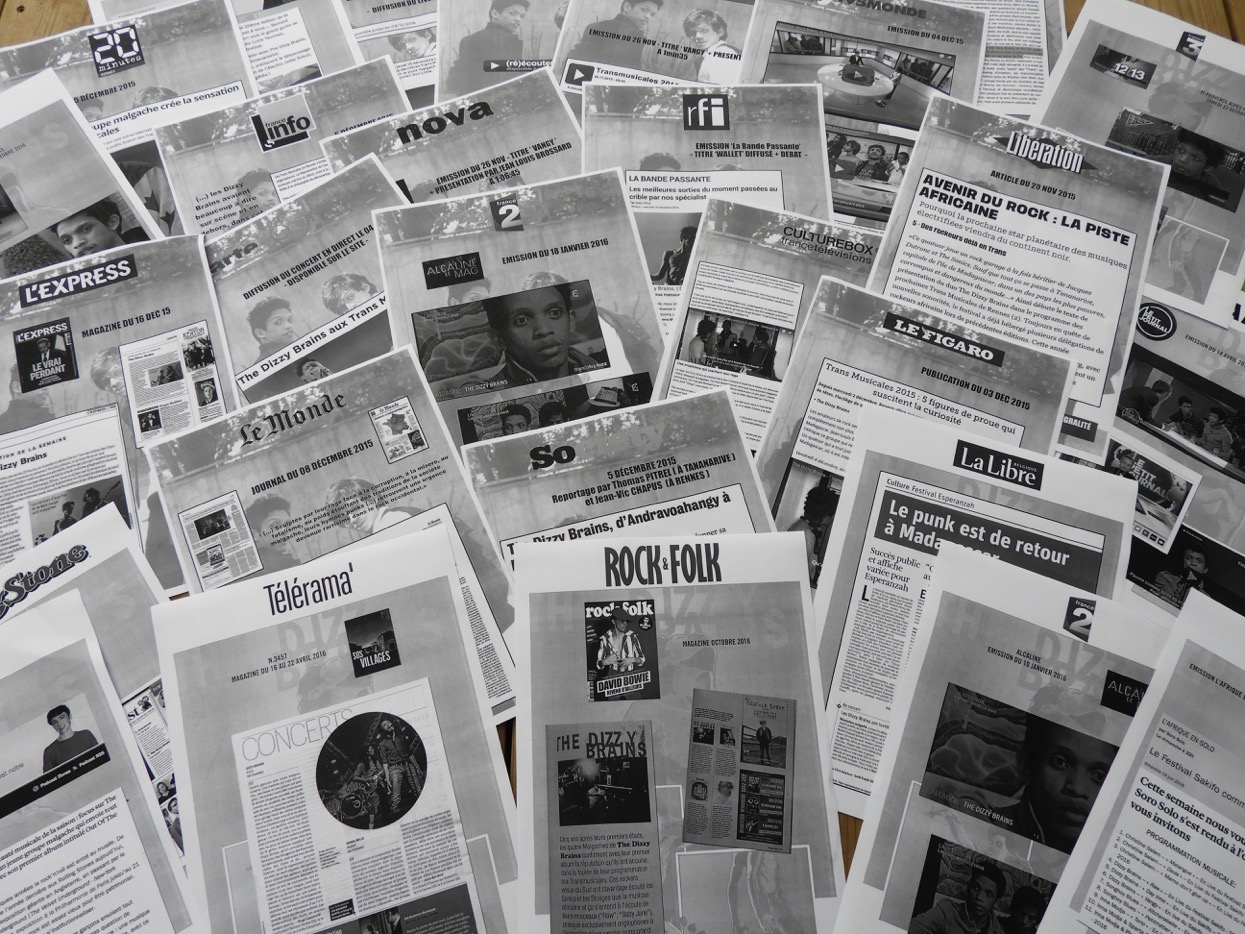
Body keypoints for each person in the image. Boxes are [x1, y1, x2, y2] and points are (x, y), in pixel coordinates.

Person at [996, 717, 1116, 853]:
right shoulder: (986, 826)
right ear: (1025, 765)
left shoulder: (1108, 849)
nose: (1077, 789)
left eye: (1099, 776)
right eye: (1060, 762)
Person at [479, 282, 597, 386]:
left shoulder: (598, 368)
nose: (544, 330)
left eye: (555, 313)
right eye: (522, 320)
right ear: (498, 338)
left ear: (571, 320)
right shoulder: (490, 396)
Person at [449, 0, 528, 96]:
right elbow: (515, 79)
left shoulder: (468, 40)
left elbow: (454, 80)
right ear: (495, 14)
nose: (518, 19)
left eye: (522, 16)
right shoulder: (510, 40)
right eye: (512, 13)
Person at [910, 864, 1007, 934]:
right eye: (976, 888)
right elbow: (912, 928)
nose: (979, 897)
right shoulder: (947, 911)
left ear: (996, 901)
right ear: (968, 888)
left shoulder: (997, 930)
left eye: (988, 894)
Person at [569, 0, 663, 70]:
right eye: (644, 10)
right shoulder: (635, 35)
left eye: (652, 14)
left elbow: (575, 56)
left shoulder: (593, 26)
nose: (648, 17)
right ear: (627, 7)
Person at [54, 199, 141, 258]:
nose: (77, 243)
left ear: (112, 222)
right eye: (67, 240)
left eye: (86, 229)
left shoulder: (145, 252)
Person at [788, 483, 837, 584]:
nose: (833, 518)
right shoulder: (807, 535)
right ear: (826, 515)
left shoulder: (802, 527)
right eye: (833, 514)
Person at [376, 718, 425, 813]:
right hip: (394, 769)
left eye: (388, 722)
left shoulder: (400, 737)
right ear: (383, 730)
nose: (388, 724)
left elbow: (410, 754)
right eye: (385, 725)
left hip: (407, 764)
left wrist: (417, 768)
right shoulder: (382, 744)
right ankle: (394, 813)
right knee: (396, 798)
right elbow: (385, 763)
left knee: (418, 790)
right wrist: (387, 779)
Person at [683, 10, 740, 84]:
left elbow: (722, 89)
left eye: (704, 30)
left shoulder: (720, 55)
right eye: (693, 33)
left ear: (720, 31)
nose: (697, 36)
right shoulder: (711, 55)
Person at [248, 494, 299, 571]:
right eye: (275, 525)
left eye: (287, 525)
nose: (284, 531)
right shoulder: (287, 563)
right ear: (254, 534)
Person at [43, 704, 99, 771]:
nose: (59, 724)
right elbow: (50, 777)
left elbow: (100, 758)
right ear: (52, 725)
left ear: (69, 717)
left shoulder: (86, 735)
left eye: (62, 717)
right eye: (55, 722)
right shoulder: (49, 751)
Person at [248, 297, 299, 364]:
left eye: (289, 320)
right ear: (260, 333)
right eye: (278, 322)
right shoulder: (263, 364)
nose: (289, 326)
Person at [596, 605, 645, 672]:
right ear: (614, 622)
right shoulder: (605, 639)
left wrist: (632, 659)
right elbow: (598, 665)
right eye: (622, 621)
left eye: (626, 621)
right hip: (613, 676)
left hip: (629, 675)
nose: (625, 624)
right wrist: (603, 662)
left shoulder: (631, 636)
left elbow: (642, 659)